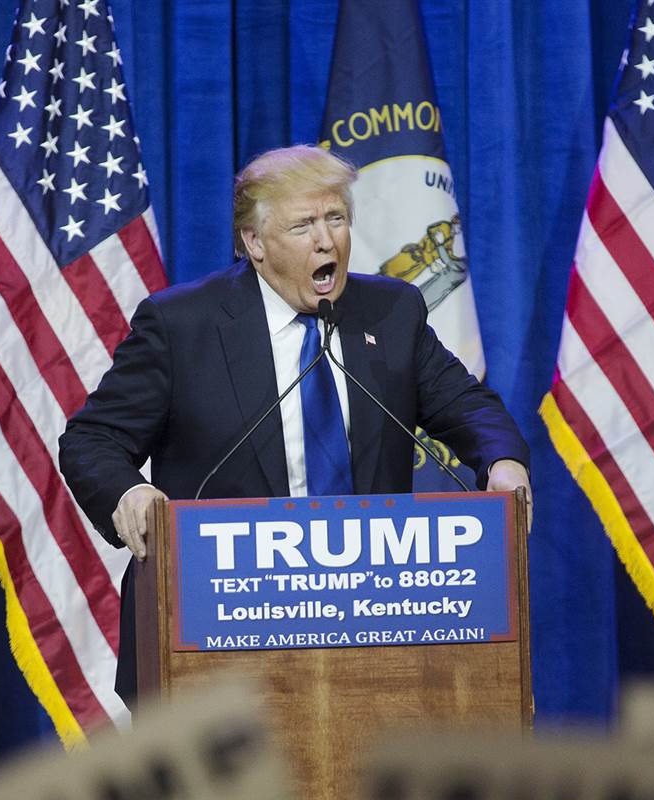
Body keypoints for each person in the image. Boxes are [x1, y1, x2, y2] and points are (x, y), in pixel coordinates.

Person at [58, 145, 530, 706]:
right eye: (304, 225)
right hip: (217, 638)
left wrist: (502, 461)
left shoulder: (391, 311)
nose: (326, 240)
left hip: (375, 633)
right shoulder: (182, 325)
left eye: (335, 218)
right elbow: (92, 439)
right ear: (254, 243)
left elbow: (467, 405)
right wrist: (129, 491)